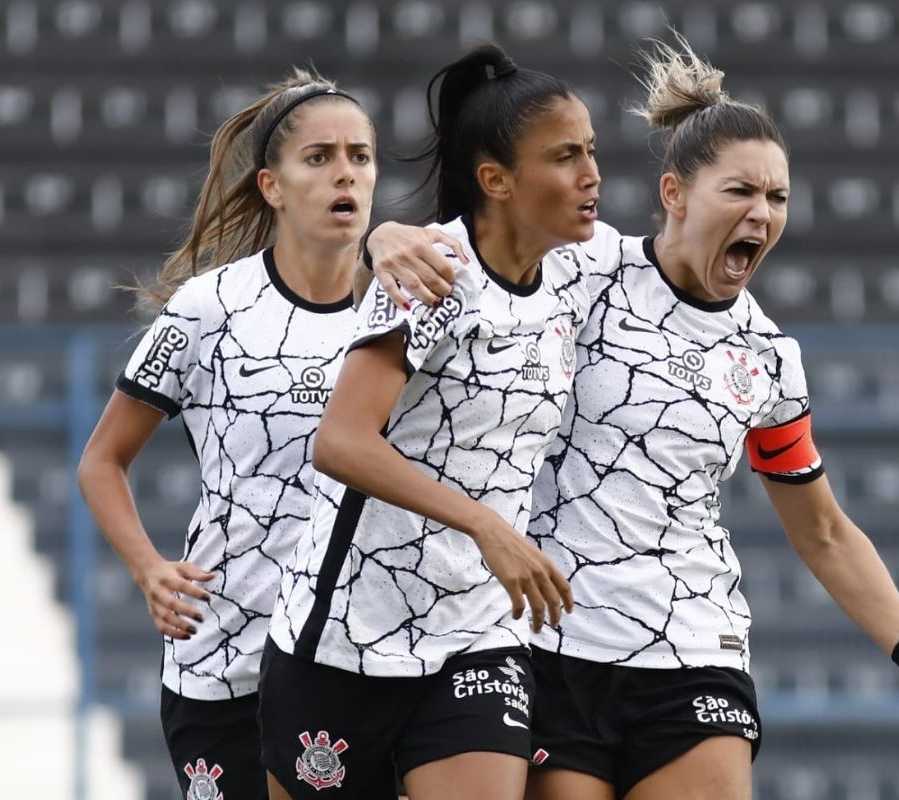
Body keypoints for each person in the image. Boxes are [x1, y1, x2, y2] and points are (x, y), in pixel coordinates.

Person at [367, 37, 899, 800]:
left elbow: (824, 530)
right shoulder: (584, 267)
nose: (761, 213)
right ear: (675, 193)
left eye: (776, 198)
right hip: (549, 643)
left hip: (694, 648)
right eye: (740, 191)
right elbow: (470, 253)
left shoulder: (769, 358)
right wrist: (386, 235)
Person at [258, 44, 605, 800]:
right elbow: (341, 442)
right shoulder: (431, 272)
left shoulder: (578, 269)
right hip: (345, 638)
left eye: (592, 151)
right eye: (566, 156)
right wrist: (486, 525)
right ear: (497, 180)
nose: (591, 175)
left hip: (480, 636)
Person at [77, 69, 379, 800]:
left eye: (361, 156)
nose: (346, 172)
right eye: (320, 157)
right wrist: (150, 568)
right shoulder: (209, 308)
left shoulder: (400, 312)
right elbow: (101, 461)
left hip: (356, 655)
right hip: (223, 658)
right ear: (272, 186)